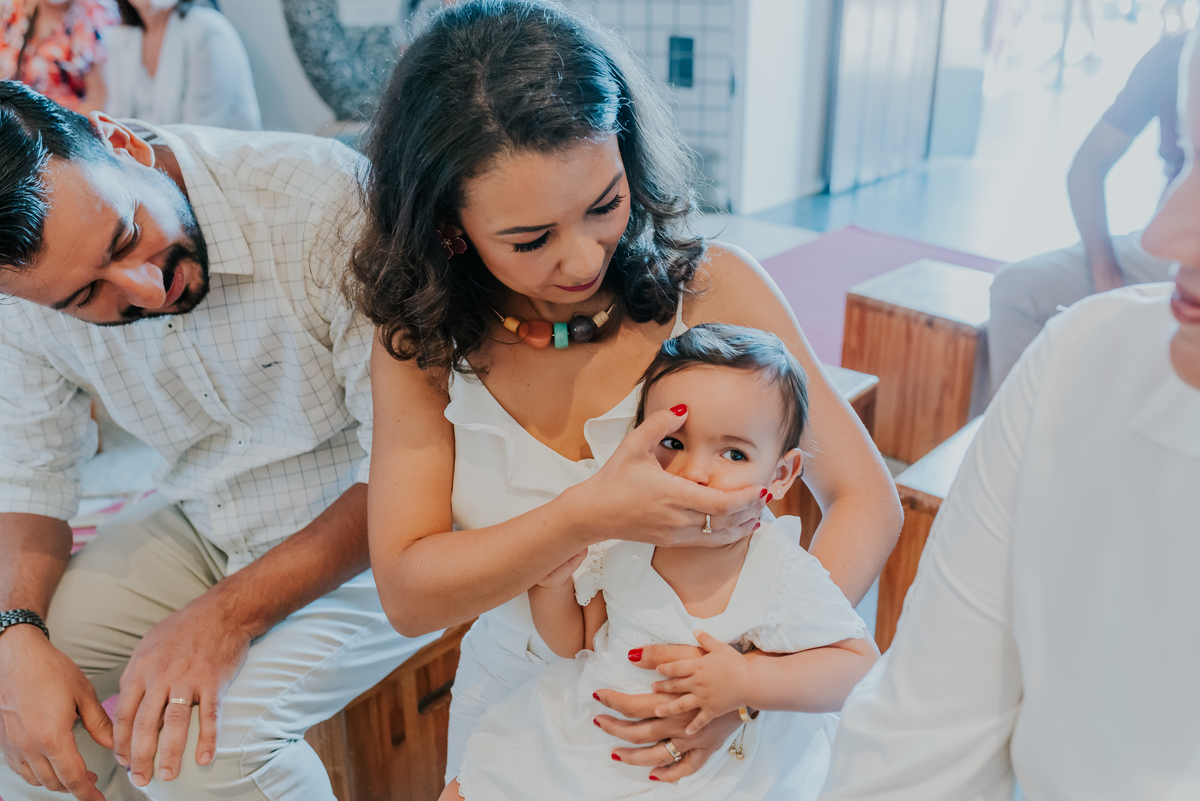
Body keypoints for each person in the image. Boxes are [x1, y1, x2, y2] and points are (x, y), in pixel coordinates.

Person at [349, 0, 901, 785]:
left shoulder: (716, 288)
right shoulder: (422, 343)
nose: (582, 260)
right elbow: (407, 592)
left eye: (606, 204)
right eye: (531, 239)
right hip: (524, 694)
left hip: (710, 691)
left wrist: (746, 672)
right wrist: (585, 513)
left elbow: (863, 496)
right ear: (449, 230)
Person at [0, 81, 437, 801]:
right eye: (87, 298)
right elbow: (29, 476)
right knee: (27, 710)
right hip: (208, 520)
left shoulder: (318, 201)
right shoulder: (22, 298)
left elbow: (407, 467)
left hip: (386, 537)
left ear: (126, 145)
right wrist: (14, 633)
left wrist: (226, 615)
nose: (142, 288)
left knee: (201, 759)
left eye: (125, 237)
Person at [818, 33, 1200, 801]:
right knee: (1024, 291)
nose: (1166, 230)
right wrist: (1100, 271)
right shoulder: (1081, 357)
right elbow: (915, 741)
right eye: (1188, 154)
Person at [448, 325, 878, 800]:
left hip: (720, 772)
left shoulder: (776, 569)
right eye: (674, 443)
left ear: (779, 475)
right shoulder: (631, 540)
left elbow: (858, 667)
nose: (694, 472)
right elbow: (581, 640)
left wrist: (748, 680)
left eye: (734, 453)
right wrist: (551, 589)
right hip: (594, 743)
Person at [988, 33, 1186, 397]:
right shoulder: (1173, 56)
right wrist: (1105, 273)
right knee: (1016, 290)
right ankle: (1012, 444)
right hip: (1169, 252)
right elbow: (1087, 167)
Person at [104, 0, 261, 130]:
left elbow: (198, 138)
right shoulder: (122, 38)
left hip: (214, 163)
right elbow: (117, 124)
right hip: (145, 163)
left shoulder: (207, 31)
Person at [0, 0, 118, 113]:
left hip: (65, 125)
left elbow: (97, 100)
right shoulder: (13, 9)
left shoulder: (93, 14)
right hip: (16, 120)